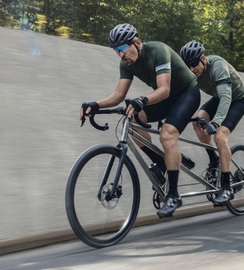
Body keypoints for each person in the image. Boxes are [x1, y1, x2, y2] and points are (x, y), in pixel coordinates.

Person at [81, 23, 200, 218]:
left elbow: (164, 89)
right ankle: (162, 161)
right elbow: (119, 94)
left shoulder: (158, 51)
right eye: (115, 51)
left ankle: (173, 195)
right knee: (132, 118)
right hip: (165, 98)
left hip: (186, 94)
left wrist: (142, 100)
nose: (120, 55)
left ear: (137, 42)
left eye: (122, 49)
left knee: (167, 135)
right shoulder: (126, 63)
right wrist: (96, 104)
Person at [179, 40, 244, 205]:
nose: (191, 69)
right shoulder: (191, 73)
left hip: (237, 99)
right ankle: (214, 160)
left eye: (194, 63)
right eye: (187, 66)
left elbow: (226, 96)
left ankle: (226, 187)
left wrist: (216, 123)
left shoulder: (217, 65)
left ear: (203, 58)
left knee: (219, 137)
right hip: (219, 98)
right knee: (197, 121)